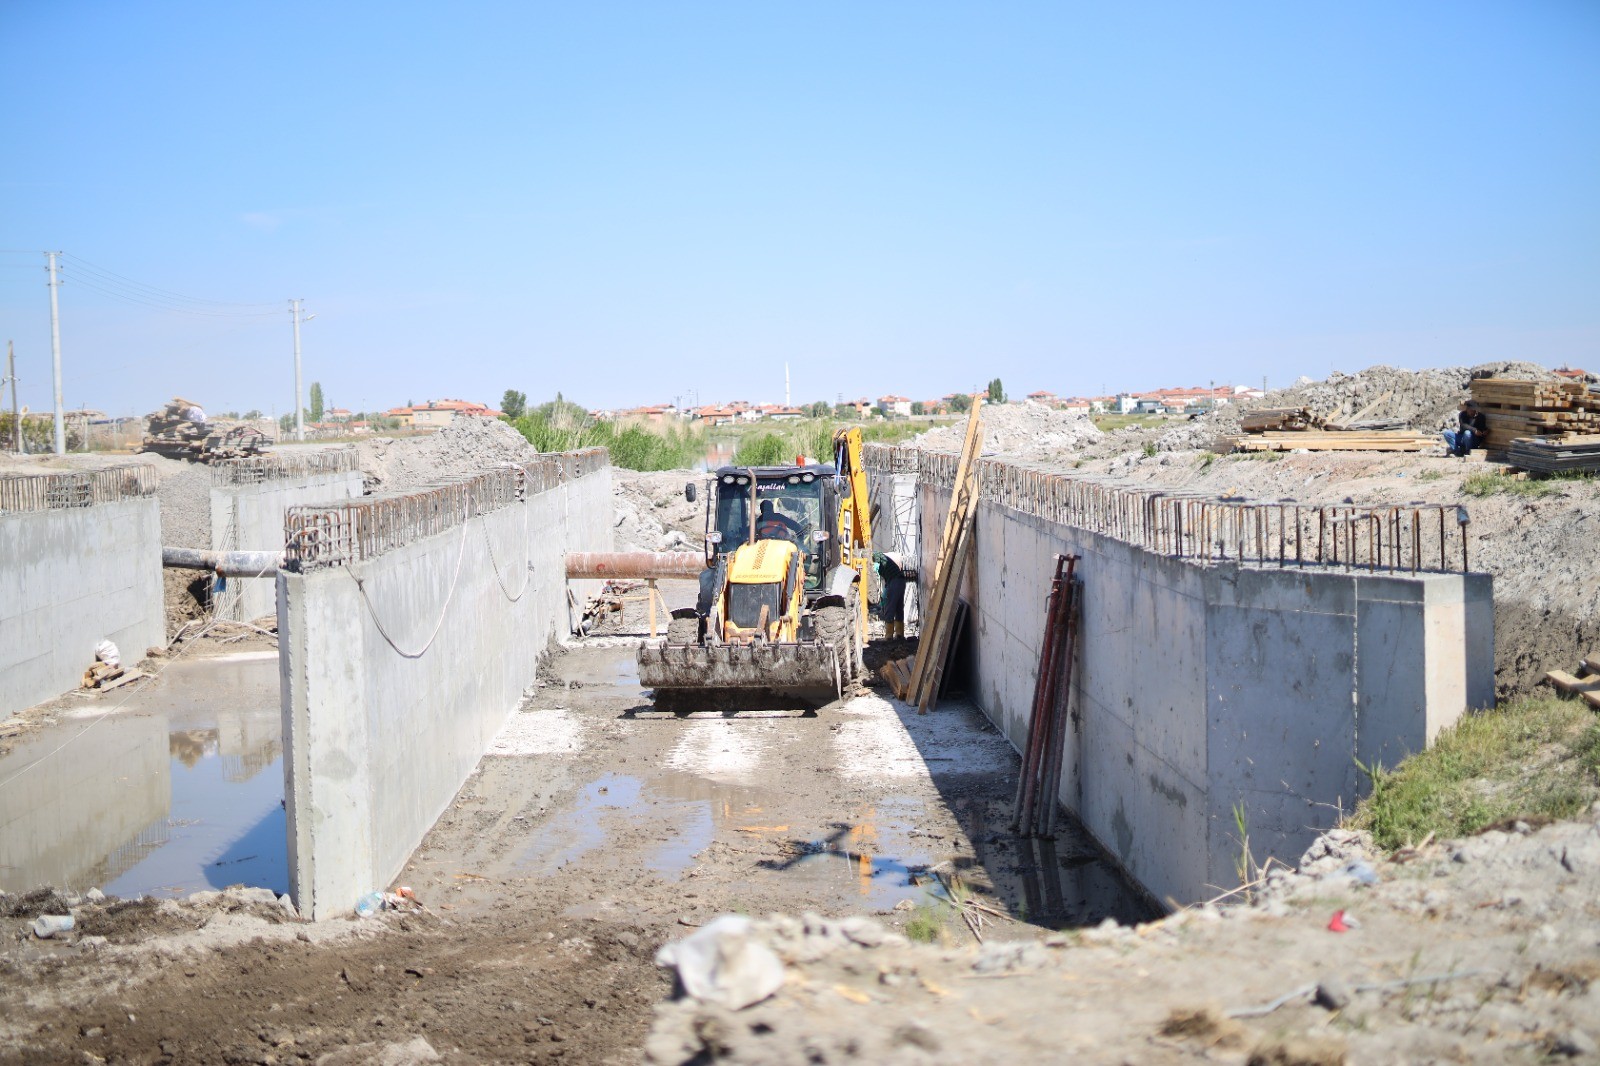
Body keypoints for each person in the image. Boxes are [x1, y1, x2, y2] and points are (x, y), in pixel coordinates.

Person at [874, 551, 907, 640]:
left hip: (894, 581)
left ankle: (889, 636)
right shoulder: (884, 559)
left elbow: (878, 561)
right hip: (901, 581)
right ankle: (899, 634)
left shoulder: (877, 556)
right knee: (899, 608)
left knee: (890, 607)